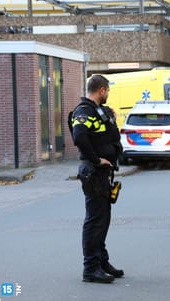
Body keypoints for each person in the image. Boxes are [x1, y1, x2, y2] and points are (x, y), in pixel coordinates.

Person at [71, 74, 124, 284]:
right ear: (101, 90)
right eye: (108, 90)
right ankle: (90, 269)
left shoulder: (98, 111)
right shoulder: (84, 111)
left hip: (102, 174)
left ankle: (101, 261)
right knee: (94, 221)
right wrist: (96, 160)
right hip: (92, 172)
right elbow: (79, 137)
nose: (108, 94)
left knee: (103, 220)